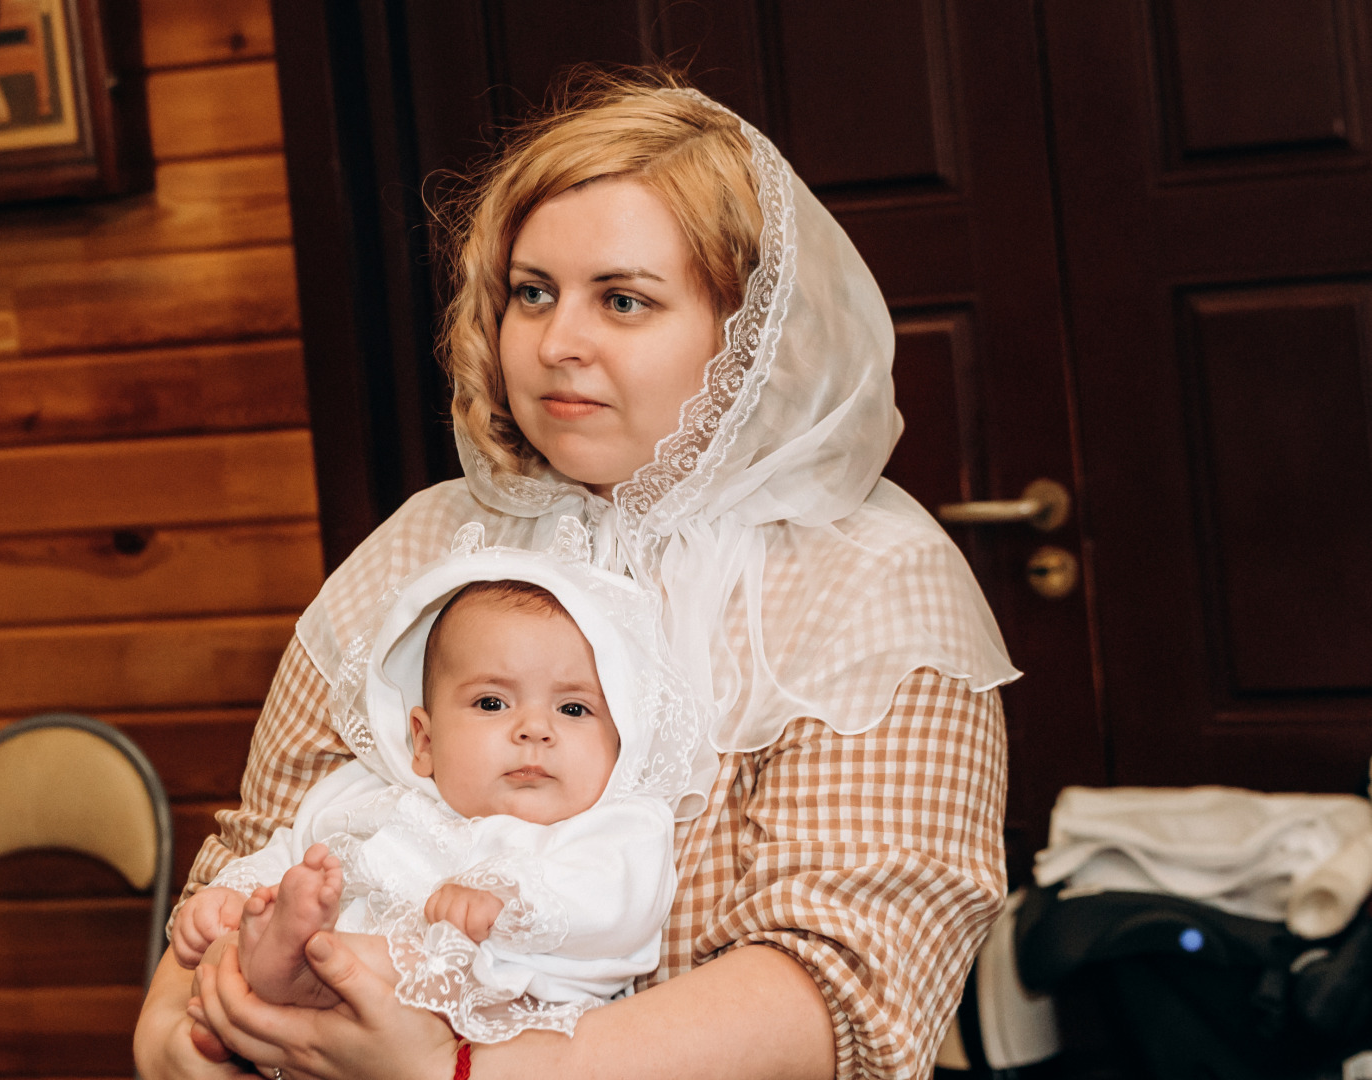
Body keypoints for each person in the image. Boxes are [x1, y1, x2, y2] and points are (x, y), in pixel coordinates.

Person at [135, 68, 1020, 1080]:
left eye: (625, 300)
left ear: (749, 334)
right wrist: (173, 1037)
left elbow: (842, 984)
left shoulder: (869, 580)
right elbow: (262, 844)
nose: (558, 343)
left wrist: (462, 1074)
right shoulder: (424, 546)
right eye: (531, 293)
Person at [171, 524, 704, 1055]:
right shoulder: (376, 800)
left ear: (620, 742)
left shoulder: (616, 825)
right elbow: (297, 856)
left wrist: (503, 897)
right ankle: (267, 1006)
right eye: (492, 703)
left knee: (402, 957)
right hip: (351, 1000)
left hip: (501, 1028)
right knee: (269, 927)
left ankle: (285, 989)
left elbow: (614, 904)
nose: (535, 729)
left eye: (573, 709)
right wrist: (234, 897)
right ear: (423, 741)